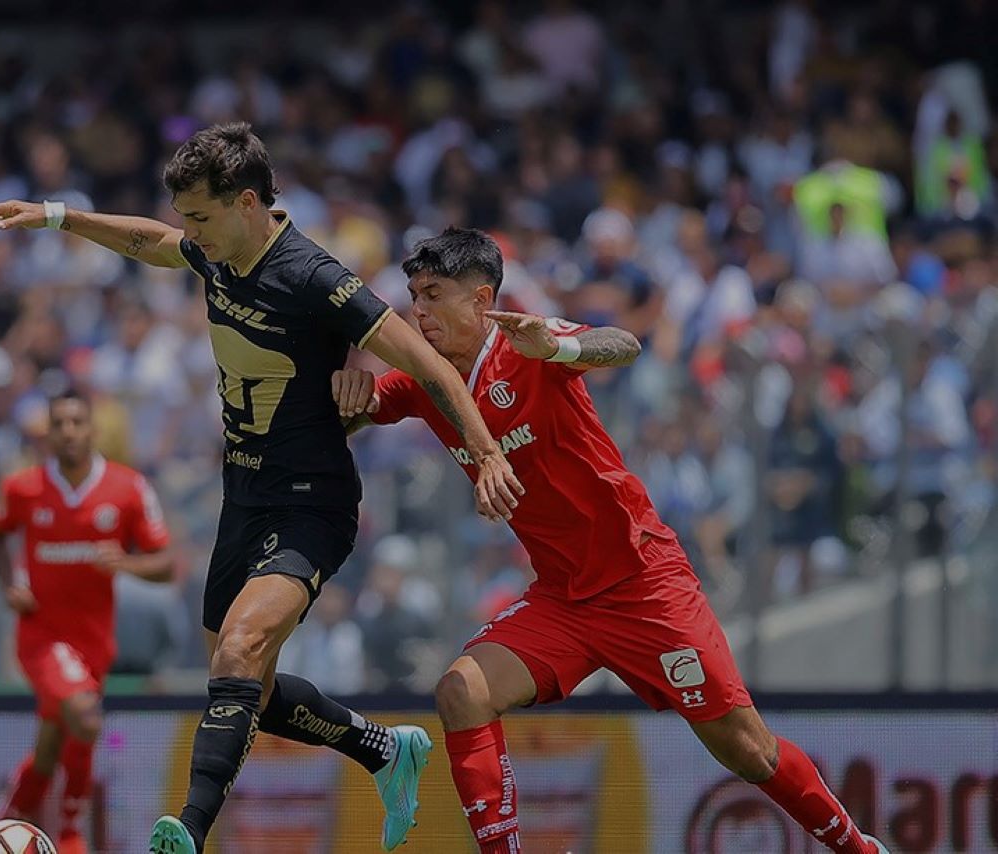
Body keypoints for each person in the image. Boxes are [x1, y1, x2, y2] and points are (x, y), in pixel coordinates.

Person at [0, 122, 524, 854]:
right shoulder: (215, 248)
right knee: (246, 689)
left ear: (248, 202)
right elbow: (150, 243)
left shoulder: (314, 276)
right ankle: (384, 750)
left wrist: (485, 453)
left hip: (312, 499)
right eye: (187, 217)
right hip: (245, 494)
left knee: (239, 654)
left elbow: (429, 364)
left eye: (200, 216)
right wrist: (56, 215)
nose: (189, 232)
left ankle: (187, 832)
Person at [333, 227, 889, 854]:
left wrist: (560, 347)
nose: (419, 311)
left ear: (481, 299)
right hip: (564, 600)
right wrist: (346, 395)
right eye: (414, 296)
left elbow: (620, 344)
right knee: (461, 691)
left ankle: (859, 848)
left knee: (747, 749)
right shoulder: (425, 379)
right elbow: (356, 410)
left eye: (433, 295)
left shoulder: (528, 343)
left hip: (643, 582)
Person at [0, 390, 175, 854]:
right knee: (85, 715)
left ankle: (6, 821)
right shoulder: (23, 488)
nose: (68, 431)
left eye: (76, 422)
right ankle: (70, 832)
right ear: (47, 433)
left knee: (55, 737)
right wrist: (11, 582)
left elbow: (166, 564)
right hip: (41, 635)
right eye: (59, 423)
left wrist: (125, 564)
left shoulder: (127, 488)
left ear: (92, 429)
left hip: (94, 641)